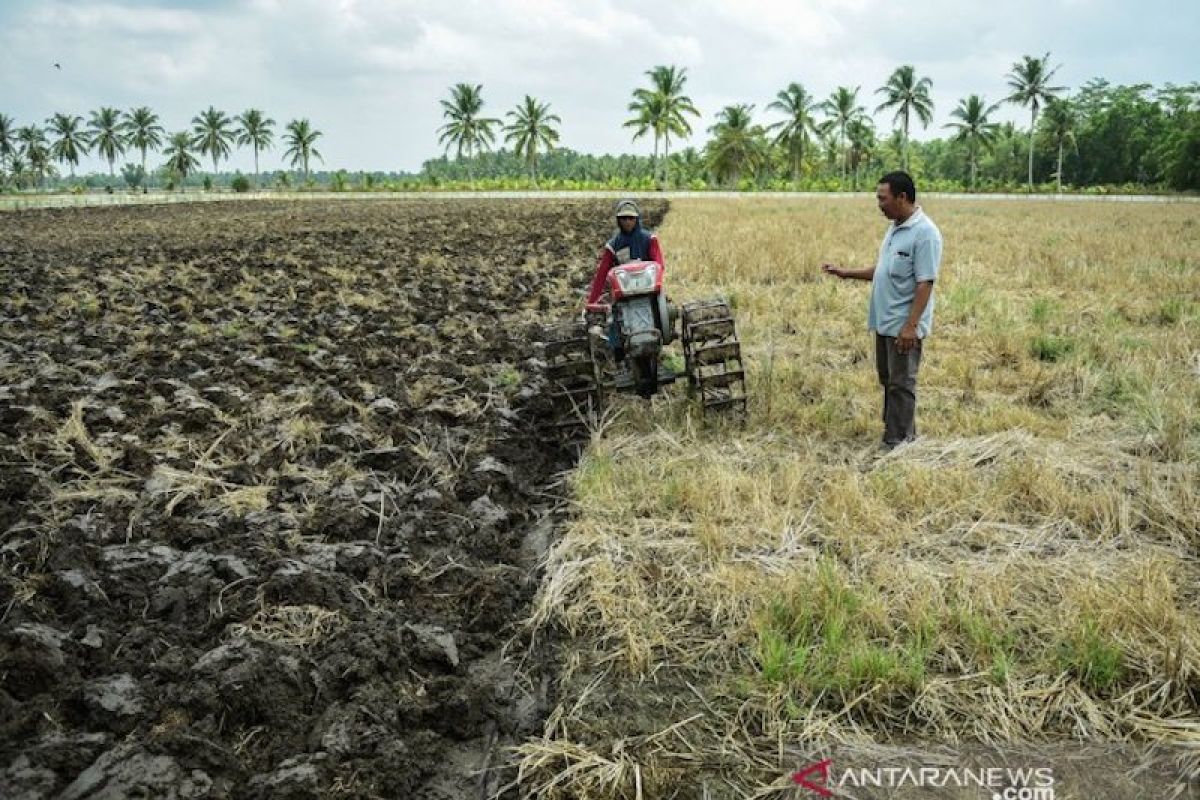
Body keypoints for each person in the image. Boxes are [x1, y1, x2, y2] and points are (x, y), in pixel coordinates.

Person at [822, 170, 943, 449]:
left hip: (903, 325)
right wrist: (846, 273)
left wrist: (911, 326)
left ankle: (898, 443)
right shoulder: (896, 228)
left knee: (902, 384)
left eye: (883, 198)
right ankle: (896, 433)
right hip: (885, 322)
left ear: (902, 197)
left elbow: (926, 283)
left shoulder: (925, 234)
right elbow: (884, 271)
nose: (879, 204)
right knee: (890, 381)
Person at [585, 199, 664, 363]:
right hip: (624, 293)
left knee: (662, 309)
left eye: (631, 218)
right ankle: (618, 350)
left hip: (647, 290)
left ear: (637, 219)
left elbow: (659, 263)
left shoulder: (649, 239)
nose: (627, 222)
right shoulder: (614, 245)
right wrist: (592, 302)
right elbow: (601, 275)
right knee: (614, 316)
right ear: (618, 220)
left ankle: (662, 331)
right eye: (623, 218)